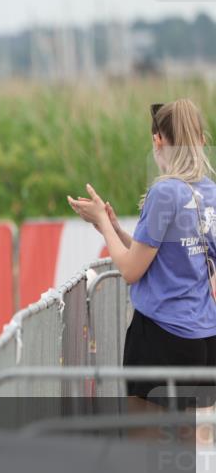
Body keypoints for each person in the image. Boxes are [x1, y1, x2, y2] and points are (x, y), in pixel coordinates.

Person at [69, 99, 216, 409]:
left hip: (162, 334)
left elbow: (131, 271)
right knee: (186, 448)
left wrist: (101, 224)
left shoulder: (165, 192)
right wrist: (112, 228)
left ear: (158, 140)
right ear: (201, 140)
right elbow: (167, 254)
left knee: (145, 440)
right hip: (204, 336)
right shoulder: (210, 192)